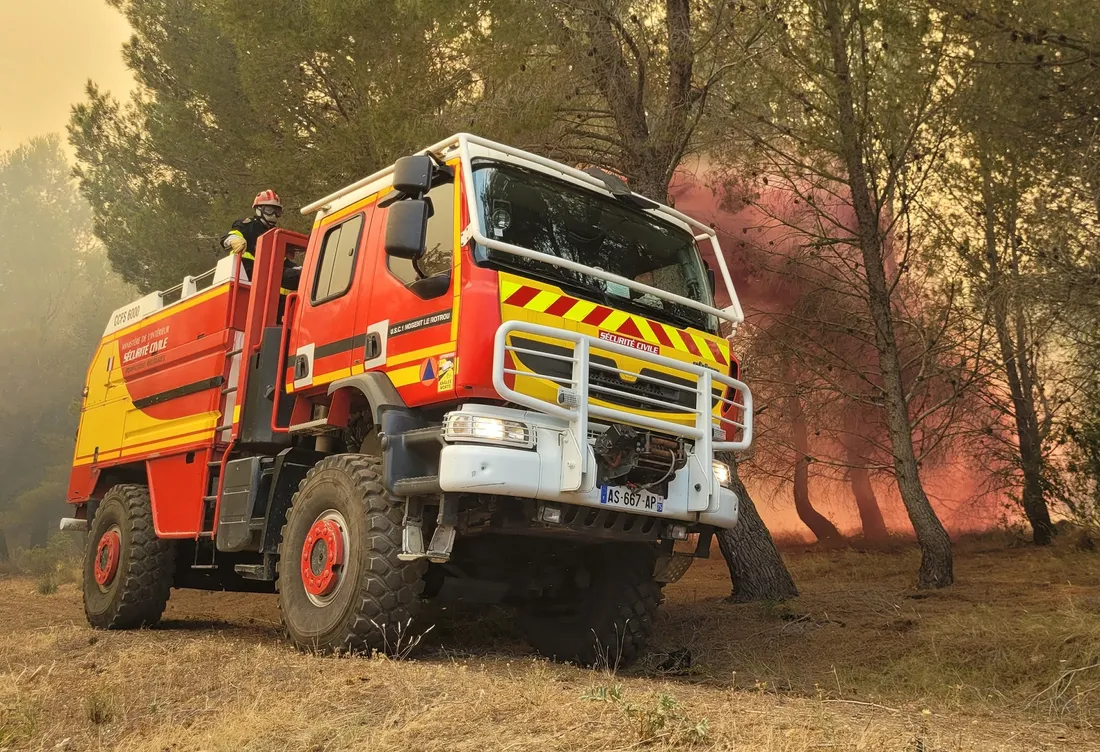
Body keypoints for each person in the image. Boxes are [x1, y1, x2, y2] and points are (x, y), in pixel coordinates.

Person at [223, 190, 300, 299]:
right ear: (258, 210)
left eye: (277, 211)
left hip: (269, 277)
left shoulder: (276, 234)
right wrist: (234, 240)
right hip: (249, 272)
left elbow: (283, 261)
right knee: (296, 277)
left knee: (302, 276)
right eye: (269, 210)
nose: (273, 215)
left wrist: (302, 268)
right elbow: (226, 238)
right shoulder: (247, 226)